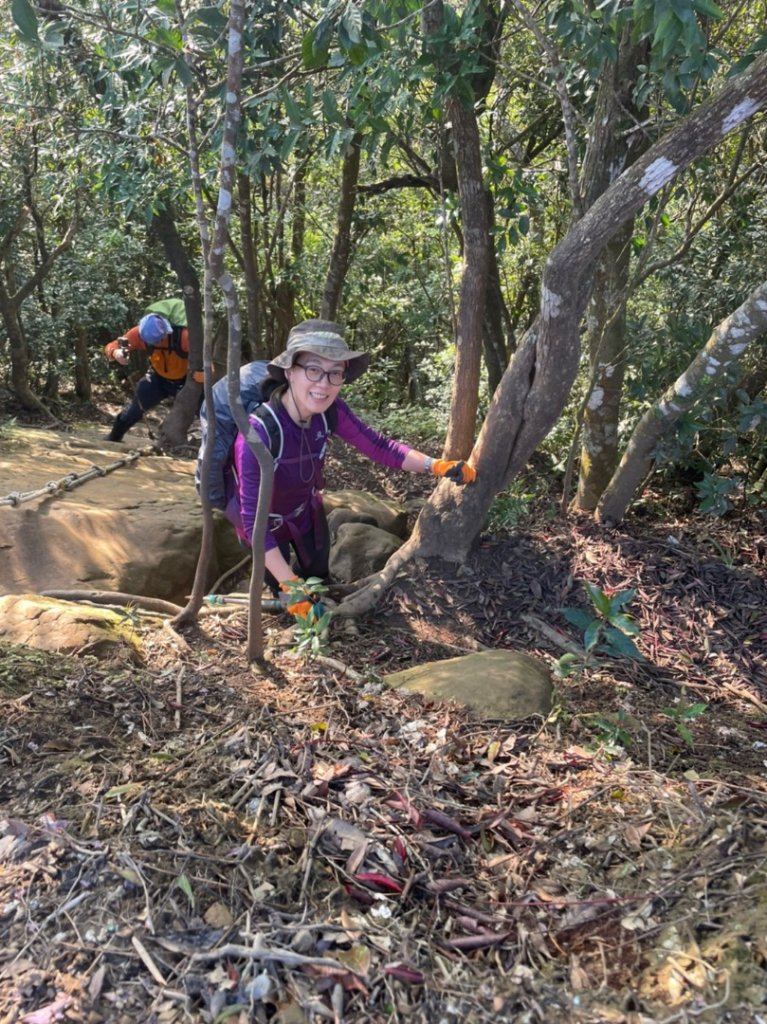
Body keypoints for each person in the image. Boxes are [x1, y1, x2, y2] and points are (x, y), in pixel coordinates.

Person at [225, 319, 477, 619]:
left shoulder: (329, 413)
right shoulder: (258, 434)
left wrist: (436, 466)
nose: (324, 384)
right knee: (283, 592)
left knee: (319, 573)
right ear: (290, 371)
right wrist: (290, 587)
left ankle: (321, 609)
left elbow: (378, 446)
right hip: (263, 527)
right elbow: (255, 523)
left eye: (335, 373)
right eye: (313, 369)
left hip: (305, 511)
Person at [103, 299, 195, 442]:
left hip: (186, 380)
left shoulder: (184, 336)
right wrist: (117, 353)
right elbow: (113, 345)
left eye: (159, 340)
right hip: (158, 378)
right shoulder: (139, 333)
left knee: (207, 410)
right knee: (134, 410)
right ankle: (114, 438)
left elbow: (206, 361)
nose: (155, 344)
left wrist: (200, 379)